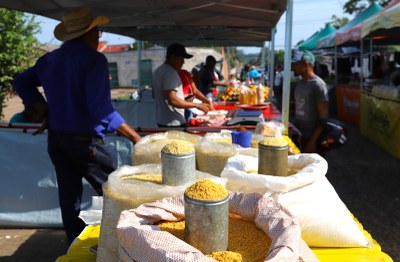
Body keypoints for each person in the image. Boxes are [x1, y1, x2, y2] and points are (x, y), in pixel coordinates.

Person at [12, 6, 141, 245]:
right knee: (119, 194)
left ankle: (74, 246)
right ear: (88, 34)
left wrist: (41, 108)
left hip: (57, 140)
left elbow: (20, 81)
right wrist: (135, 137)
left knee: (69, 196)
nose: (98, 37)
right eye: (98, 32)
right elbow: (101, 110)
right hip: (86, 143)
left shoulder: (49, 59)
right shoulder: (94, 60)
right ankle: (128, 244)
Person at [152, 43, 211, 127]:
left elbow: (154, 95)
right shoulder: (170, 73)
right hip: (173, 123)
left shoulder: (158, 71)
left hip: (162, 121)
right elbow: (173, 100)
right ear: (172, 57)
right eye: (181, 58)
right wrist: (198, 105)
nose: (183, 62)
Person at [291, 50, 329, 155]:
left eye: (295, 64)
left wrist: (312, 142)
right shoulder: (299, 84)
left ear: (306, 64)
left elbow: (323, 118)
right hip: (300, 136)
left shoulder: (318, 85)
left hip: (313, 139)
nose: (292, 67)